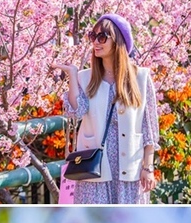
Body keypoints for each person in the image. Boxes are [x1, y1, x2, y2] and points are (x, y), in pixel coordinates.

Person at [51, 14, 159, 204]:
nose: (96, 42)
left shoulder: (140, 78)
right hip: (95, 169)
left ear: (117, 40)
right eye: (93, 36)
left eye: (102, 37)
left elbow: (148, 127)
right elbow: (76, 112)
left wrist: (148, 167)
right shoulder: (85, 78)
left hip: (129, 171)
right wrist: (72, 75)